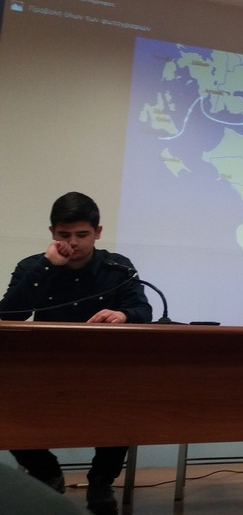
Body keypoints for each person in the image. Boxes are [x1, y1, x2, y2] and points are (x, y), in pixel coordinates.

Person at [0, 192, 152, 515]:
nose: (72, 243)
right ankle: (47, 474)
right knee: (5, 409)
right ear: (52, 232)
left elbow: (144, 310)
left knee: (126, 405)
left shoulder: (118, 267)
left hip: (104, 372)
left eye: (82, 234)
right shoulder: (32, 266)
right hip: (42, 372)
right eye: (64, 234)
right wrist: (47, 266)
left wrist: (123, 315)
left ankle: (100, 482)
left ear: (98, 232)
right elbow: (9, 315)